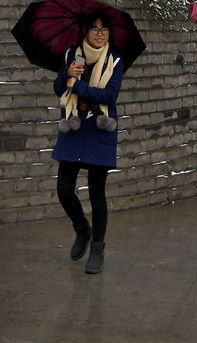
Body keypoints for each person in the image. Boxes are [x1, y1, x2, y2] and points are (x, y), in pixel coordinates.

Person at [52, 15, 124, 274]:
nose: (99, 34)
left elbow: (110, 95)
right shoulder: (73, 55)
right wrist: (67, 74)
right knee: (63, 189)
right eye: (95, 29)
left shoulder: (114, 59)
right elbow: (59, 88)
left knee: (96, 192)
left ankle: (98, 248)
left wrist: (80, 87)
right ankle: (82, 229)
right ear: (87, 32)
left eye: (104, 29)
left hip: (98, 128)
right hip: (74, 125)